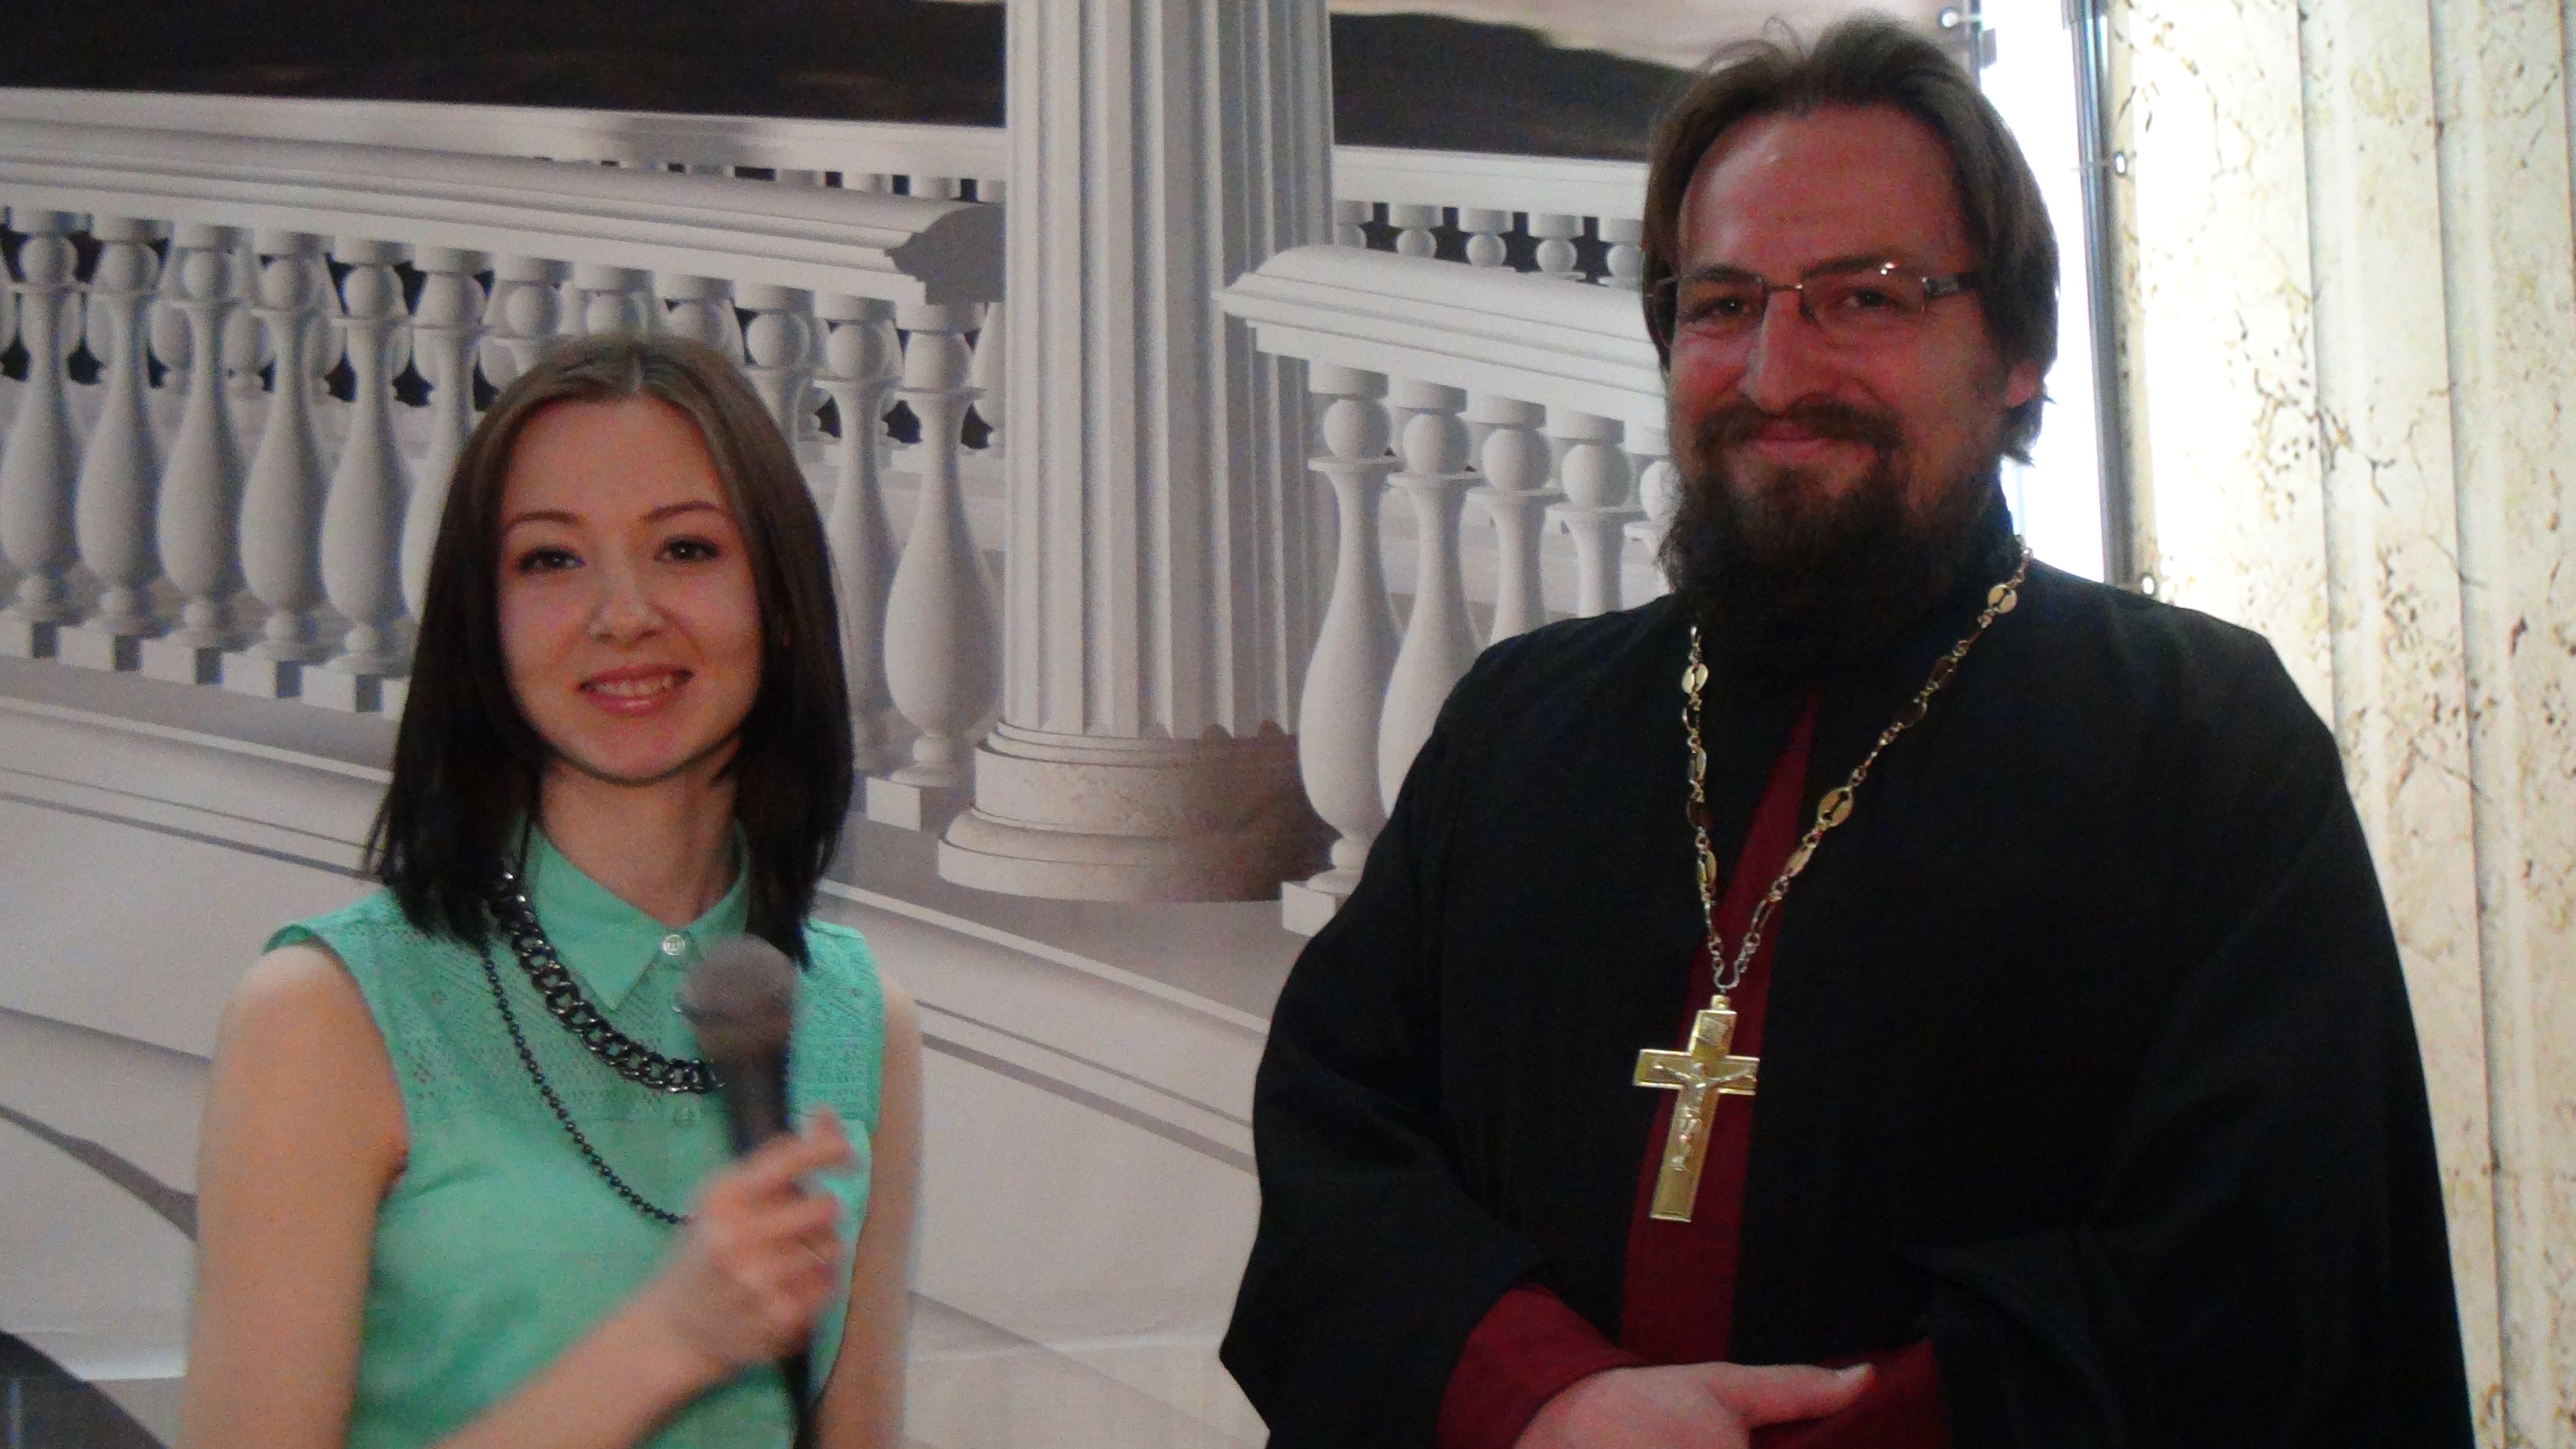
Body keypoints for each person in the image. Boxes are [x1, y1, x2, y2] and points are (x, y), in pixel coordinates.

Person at [1221, 17, 2471, 1449]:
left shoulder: (2201, 739)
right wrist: (1539, 1396)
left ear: (2016, 349)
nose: (1774, 371)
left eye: (1865, 298)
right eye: (1722, 303)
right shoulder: (1519, 730)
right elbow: (1339, 1132)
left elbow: (2270, 1258)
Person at [179, 334, 921, 1449]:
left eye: (685, 548)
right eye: (551, 560)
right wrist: (671, 1339)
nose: (623, 614)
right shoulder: (325, 1013)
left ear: (779, 598)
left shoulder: (859, 1018)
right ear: (481, 622)